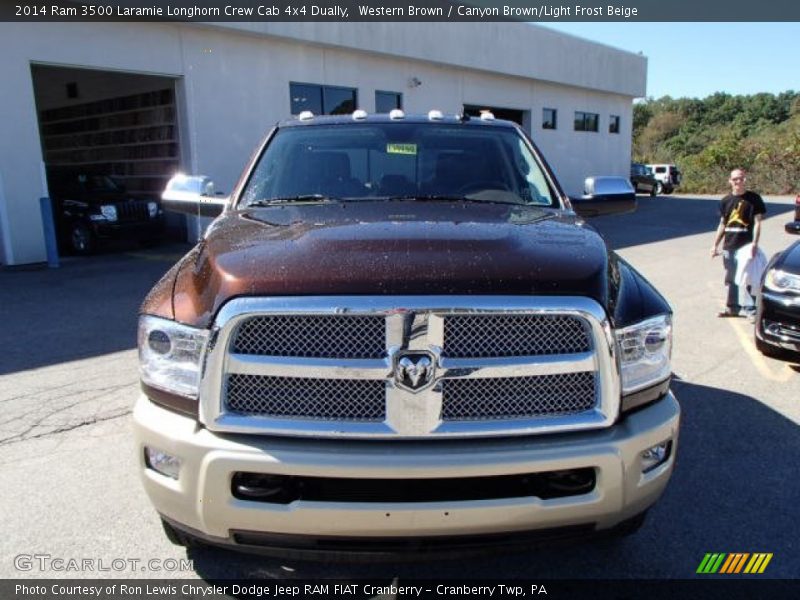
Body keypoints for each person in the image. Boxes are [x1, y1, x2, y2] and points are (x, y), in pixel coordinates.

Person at [710, 168, 766, 317]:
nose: (738, 181)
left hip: (747, 246)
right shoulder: (725, 201)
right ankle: (732, 308)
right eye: (735, 179)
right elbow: (723, 224)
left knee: (749, 277)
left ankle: (751, 309)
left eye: (740, 178)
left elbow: (758, 222)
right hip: (729, 246)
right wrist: (715, 245)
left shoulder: (754, 199)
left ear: (745, 180)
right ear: (730, 181)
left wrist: (754, 244)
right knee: (731, 278)